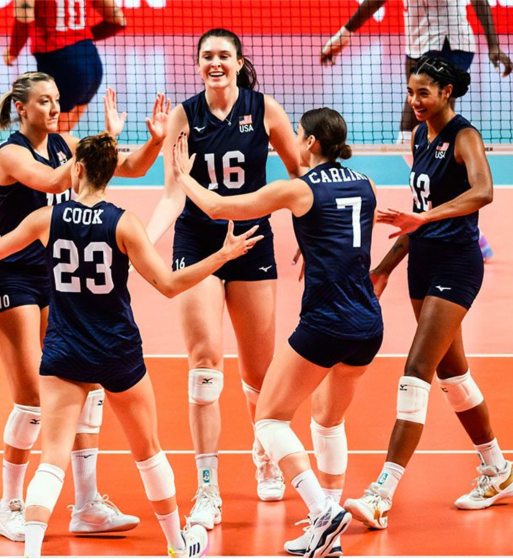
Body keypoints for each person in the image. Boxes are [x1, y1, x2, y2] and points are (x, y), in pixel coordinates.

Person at [0, 132, 265, 558]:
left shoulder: (46, 220)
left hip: (65, 351)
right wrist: (222, 256)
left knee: (51, 457)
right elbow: (169, 284)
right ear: (110, 176)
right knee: (148, 452)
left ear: (79, 170)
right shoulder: (124, 223)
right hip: (117, 352)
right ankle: (178, 545)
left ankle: (31, 552)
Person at [171, 106, 381, 558]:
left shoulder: (296, 189)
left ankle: (322, 510)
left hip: (327, 321)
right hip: (369, 322)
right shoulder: (367, 184)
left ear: (309, 143)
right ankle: (330, 532)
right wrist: (313, 246)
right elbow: (342, 237)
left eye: (298, 134)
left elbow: (218, 207)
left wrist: (182, 176)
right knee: (328, 420)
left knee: (268, 418)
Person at [0, 71, 169, 542]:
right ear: (21, 109)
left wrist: (151, 143)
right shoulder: (11, 154)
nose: (53, 109)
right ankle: (9, 504)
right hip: (11, 277)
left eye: (57, 101)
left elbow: (129, 170)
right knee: (31, 399)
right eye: (43, 102)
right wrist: (104, 142)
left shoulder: (65, 145)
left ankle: (86, 505)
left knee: (82, 389)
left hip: (55, 280)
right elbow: (50, 182)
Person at [343, 56, 513, 531]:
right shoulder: (421, 136)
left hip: (455, 266)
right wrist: (383, 268)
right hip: (420, 264)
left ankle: (382, 491)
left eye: (423, 92)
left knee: (415, 369)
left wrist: (425, 219)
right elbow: (417, 217)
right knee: (453, 374)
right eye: (411, 91)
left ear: (446, 92)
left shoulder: (465, 136)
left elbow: (483, 191)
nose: (414, 101)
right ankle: (498, 470)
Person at [143, 27, 303, 526]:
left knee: (258, 374)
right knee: (205, 365)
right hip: (196, 242)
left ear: (238, 62)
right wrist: (143, 244)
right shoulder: (182, 116)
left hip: (252, 241)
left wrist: (313, 235)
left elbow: (302, 175)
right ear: (198, 64)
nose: (215, 63)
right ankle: (207, 489)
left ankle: (264, 455)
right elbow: (173, 193)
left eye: (224, 56)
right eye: (207, 56)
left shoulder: (264, 109)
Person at [320, 0, 511, 261]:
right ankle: (454, 214)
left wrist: (494, 46)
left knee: (430, 135)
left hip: (448, 46)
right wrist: (343, 36)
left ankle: (456, 221)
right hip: (419, 44)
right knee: (415, 141)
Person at [4, 0, 126, 131]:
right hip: (91, 61)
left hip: (62, 65)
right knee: (63, 137)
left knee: (52, 140)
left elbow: (24, 20)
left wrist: (13, 52)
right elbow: (119, 21)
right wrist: (80, 37)